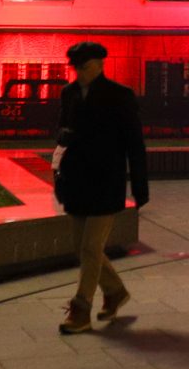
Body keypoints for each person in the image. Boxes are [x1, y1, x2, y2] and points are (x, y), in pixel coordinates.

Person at [53, 41, 148, 334]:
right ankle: (116, 291)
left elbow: (134, 143)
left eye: (85, 66)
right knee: (82, 248)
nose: (79, 73)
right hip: (76, 181)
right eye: (76, 67)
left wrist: (140, 186)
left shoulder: (119, 96)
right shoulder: (68, 94)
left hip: (106, 181)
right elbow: (63, 137)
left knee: (91, 247)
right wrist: (58, 173)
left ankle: (81, 310)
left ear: (100, 64)